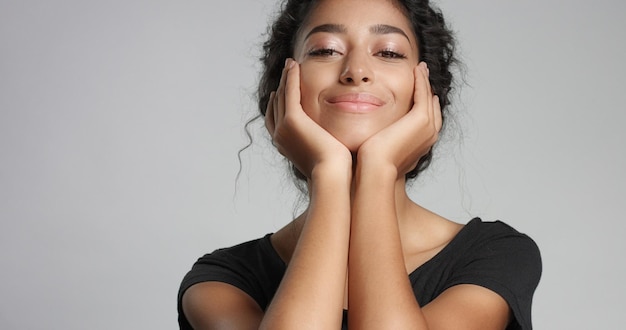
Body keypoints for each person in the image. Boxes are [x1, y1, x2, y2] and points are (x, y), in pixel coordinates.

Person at [178, 0, 542, 329]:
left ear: (427, 91)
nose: (356, 71)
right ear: (284, 88)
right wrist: (329, 175)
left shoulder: (495, 255)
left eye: (388, 52)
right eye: (325, 50)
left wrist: (378, 170)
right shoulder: (222, 280)